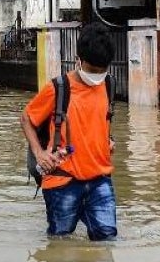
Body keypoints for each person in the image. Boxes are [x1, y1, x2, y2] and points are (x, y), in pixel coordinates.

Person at [21, 22, 118, 241]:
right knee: (60, 244)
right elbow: (26, 117)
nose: (97, 76)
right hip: (62, 181)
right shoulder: (58, 88)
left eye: (102, 71)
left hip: (100, 178)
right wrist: (39, 154)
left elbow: (101, 122)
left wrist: (109, 140)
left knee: (107, 240)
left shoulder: (109, 85)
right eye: (93, 70)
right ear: (79, 60)